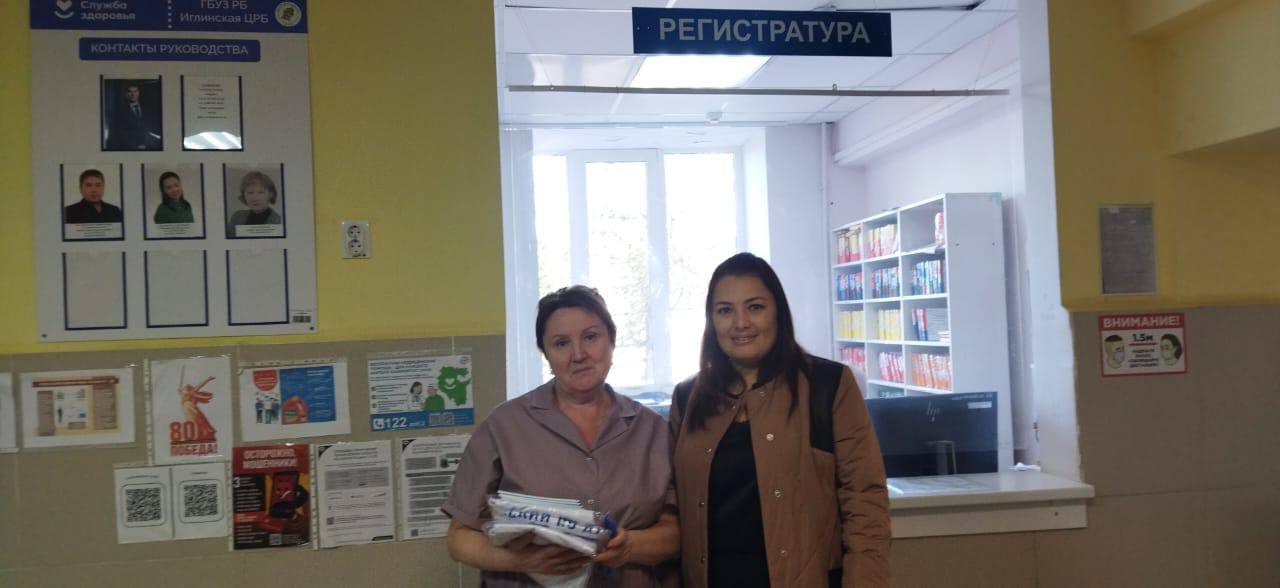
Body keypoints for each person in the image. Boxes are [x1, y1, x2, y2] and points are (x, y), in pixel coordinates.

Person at [669, 252, 891, 588]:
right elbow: (674, 511)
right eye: (725, 310)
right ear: (711, 321)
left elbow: (865, 503)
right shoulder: (688, 397)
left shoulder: (828, 385)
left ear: (778, 313)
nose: (740, 323)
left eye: (755, 307)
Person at [443, 286, 679, 587]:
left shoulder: (653, 430)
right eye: (561, 343)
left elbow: (675, 533)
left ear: (611, 341)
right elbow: (459, 538)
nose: (578, 355)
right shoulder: (504, 426)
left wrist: (629, 546)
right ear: (546, 354)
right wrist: (520, 561)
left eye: (591, 337)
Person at [226, 171, 282, 237]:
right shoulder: (237, 217)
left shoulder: (279, 221)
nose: (255, 198)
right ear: (244, 195)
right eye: (250, 193)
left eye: (260, 192)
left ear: (271, 194)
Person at [105, 82, 160, 150]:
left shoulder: (147, 108)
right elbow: (120, 133)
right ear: (126, 94)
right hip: (131, 147)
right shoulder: (119, 111)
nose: (133, 94)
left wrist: (148, 143)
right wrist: (136, 146)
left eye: (135, 91)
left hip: (149, 145)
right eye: (130, 92)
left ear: (139, 93)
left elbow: (148, 128)